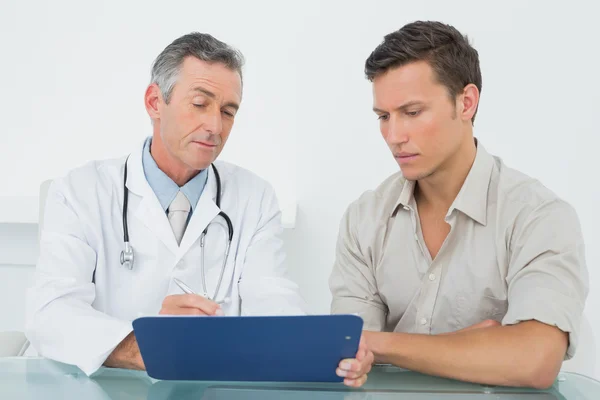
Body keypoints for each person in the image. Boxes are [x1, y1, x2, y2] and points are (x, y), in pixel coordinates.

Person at [26, 32, 372, 387]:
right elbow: (52, 314)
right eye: (200, 103)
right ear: (155, 102)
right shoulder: (80, 191)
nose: (215, 126)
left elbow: (272, 299)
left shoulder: (254, 197)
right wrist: (150, 346)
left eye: (228, 111)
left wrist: (315, 350)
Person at [329, 20, 588, 389]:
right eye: (383, 117)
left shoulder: (538, 216)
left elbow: (536, 361)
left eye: (413, 112)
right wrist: (474, 346)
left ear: (466, 102)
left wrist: (380, 343)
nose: (393, 136)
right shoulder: (363, 219)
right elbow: (349, 356)